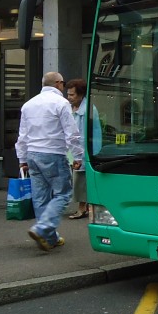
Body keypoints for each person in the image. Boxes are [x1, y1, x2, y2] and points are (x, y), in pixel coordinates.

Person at [16, 72, 83, 251]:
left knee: (40, 197)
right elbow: (71, 133)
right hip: (54, 153)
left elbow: (22, 136)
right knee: (63, 194)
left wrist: (22, 158)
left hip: (32, 154)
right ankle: (42, 228)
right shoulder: (61, 103)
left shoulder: (28, 105)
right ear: (59, 84)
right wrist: (78, 156)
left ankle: (49, 238)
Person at [65, 78, 101, 219]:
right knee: (77, 179)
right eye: (68, 94)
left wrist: (82, 155)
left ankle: (82, 208)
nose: (69, 97)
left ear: (81, 95)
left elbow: (88, 135)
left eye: (72, 95)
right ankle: (83, 206)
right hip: (71, 150)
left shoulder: (88, 110)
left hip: (82, 150)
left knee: (81, 180)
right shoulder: (69, 108)